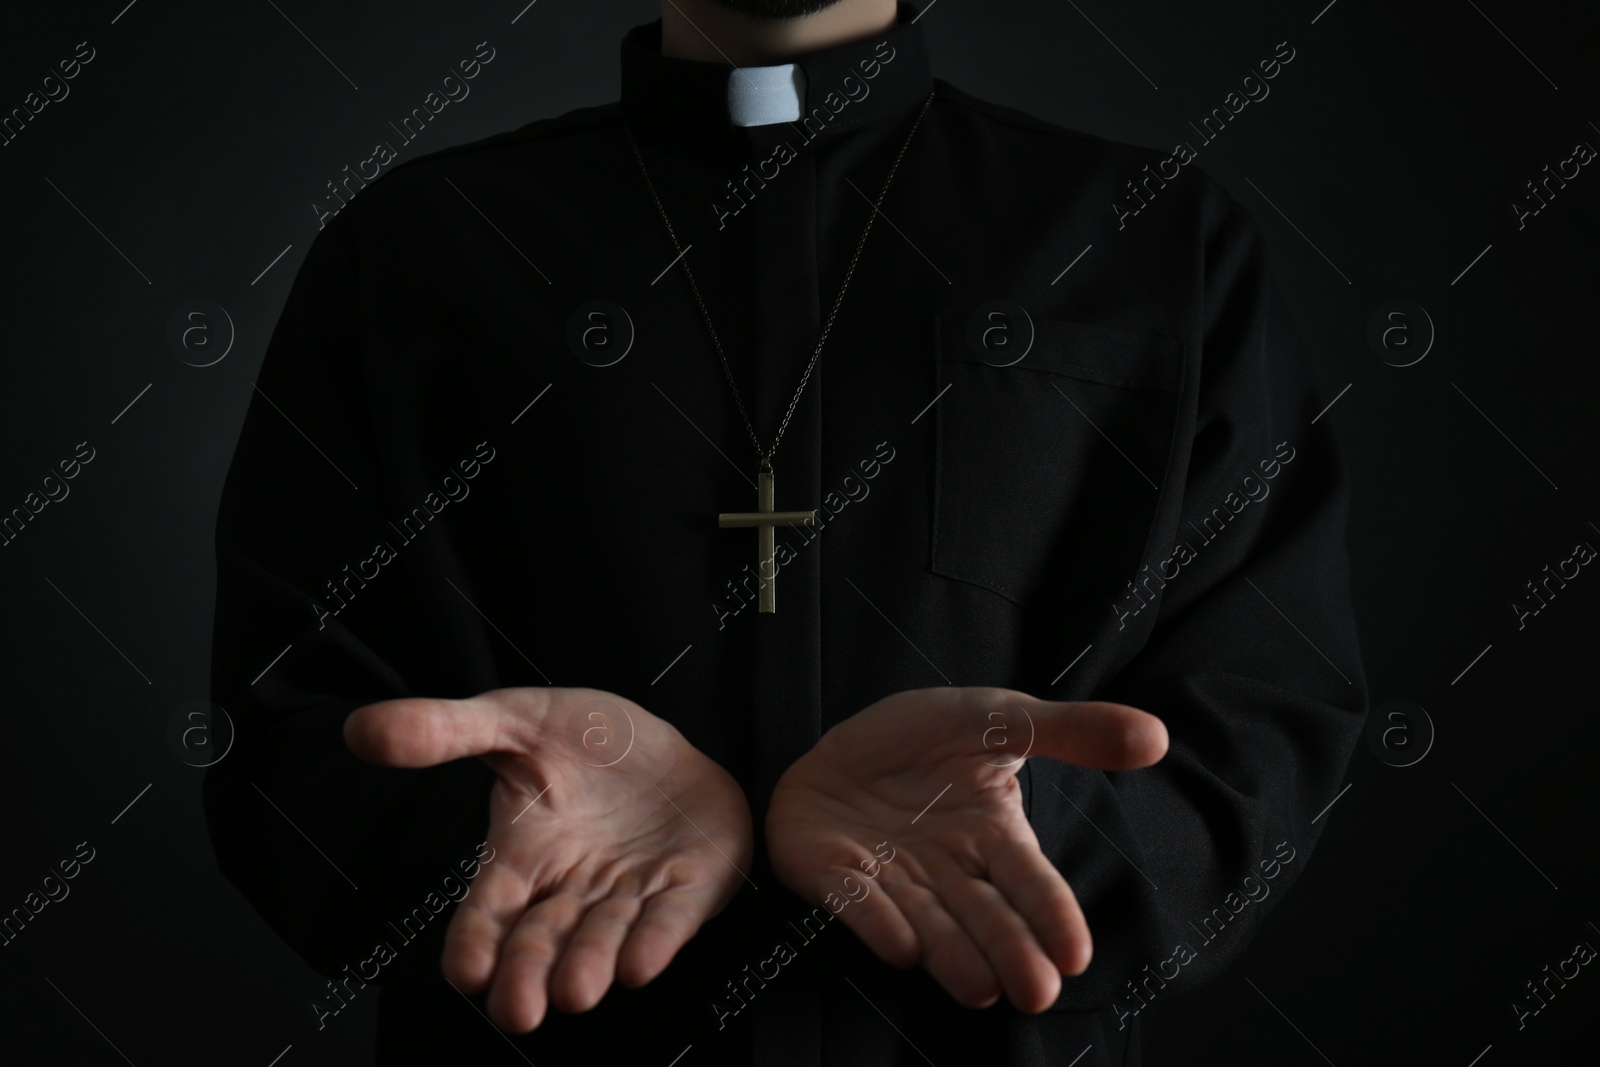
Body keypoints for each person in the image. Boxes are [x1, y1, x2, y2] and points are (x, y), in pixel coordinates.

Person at [203, 1, 1368, 1064]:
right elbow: (281, 729)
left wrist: (1041, 825)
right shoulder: (420, 245)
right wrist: (483, 830)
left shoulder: (1155, 240)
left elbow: (1265, 715)